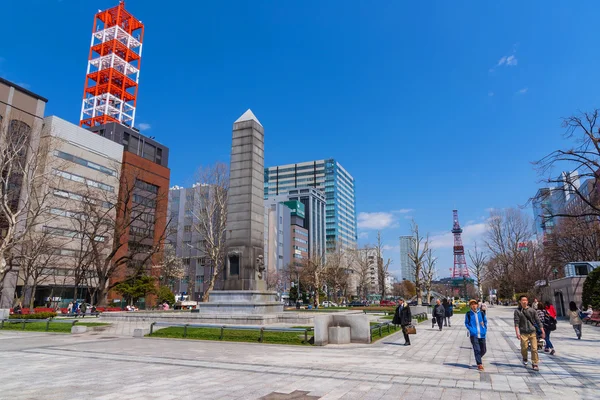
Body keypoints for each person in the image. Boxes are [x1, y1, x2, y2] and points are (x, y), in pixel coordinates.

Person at [514, 295, 544, 371]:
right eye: (523, 300)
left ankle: (535, 363)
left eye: (526, 300)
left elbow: (538, 321)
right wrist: (517, 333)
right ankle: (525, 357)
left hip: (532, 332)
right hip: (523, 332)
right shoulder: (517, 311)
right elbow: (516, 322)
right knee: (524, 348)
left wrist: (542, 330)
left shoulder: (532, 310)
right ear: (520, 301)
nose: (524, 301)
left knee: (534, 348)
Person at [465, 299, 487, 371]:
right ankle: (479, 364)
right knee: (477, 349)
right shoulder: (468, 314)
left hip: (482, 334)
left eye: (475, 304)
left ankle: (478, 357)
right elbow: (466, 323)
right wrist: (471, 330)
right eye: (472, 304)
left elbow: (485, 321)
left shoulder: (481, 313)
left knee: (483, 350)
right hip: (474, 335)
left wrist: (484, 329)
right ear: (470, 306)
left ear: (477, 305)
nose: (474, 305)